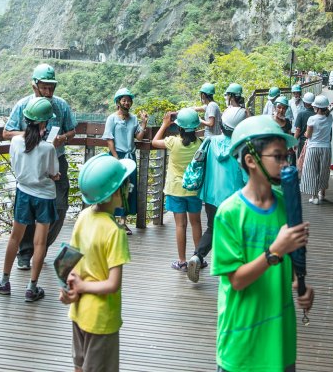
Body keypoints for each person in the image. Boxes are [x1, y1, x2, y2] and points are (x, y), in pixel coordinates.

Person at [213, 116, 314, 372]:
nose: (285, 164)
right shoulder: (229, 213)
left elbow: (292, 261)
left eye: (286, 157)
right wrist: (275, 251)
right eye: (277, 157)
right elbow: (236, 280)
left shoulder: (286, 205)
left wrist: (301, 285)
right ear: (251, 160)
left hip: (279, 341)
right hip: (241, 343)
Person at [60, 154, 134, 372]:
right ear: (113, 194)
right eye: (123, 184)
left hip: (79, 310)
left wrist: (67, 289)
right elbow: (113, 284)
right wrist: (81, 286)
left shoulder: (83, 216)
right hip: (102, 320)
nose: (127, 187)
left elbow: (66, 261)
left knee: (80, 366)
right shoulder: (114, 232)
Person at [4, 63, 77, 271]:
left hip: (57, 159)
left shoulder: (60, 105)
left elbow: (72, 130)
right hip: (31, 163)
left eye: (51, 88)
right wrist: (32, 137)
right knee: (26, 211)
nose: (48, 92)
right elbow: (7, 133)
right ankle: (26, 253)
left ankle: (41, 248)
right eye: (45, 87)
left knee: (60, 206)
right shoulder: (23, 105)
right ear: (35, 85)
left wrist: (62, 138)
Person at [0, 97, 60, 302]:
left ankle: (4, 281)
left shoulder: (16, 141)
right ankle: (32, 287)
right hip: (44, 197)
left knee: (14, 237)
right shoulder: (48, 148)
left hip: (23, 194)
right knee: (40, 243)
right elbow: (54, 173)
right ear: (44, 123)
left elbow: (16, 163)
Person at [186, 87, 249, 283]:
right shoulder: (242, 147)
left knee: (212, 228)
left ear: (222, 125)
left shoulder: (210, 143)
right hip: (235, 198)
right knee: (237, 232)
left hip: (211, 195)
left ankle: (197, 256)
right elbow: (248, 177)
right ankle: (232, 269)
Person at [150, 108, 203, 271]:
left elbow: (154, 142)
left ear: (178, 127)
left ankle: (182, 261)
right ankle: (198, 258)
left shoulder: (173, 142)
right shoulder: (200, 144)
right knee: (196, 223)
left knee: (180, 225)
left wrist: (164, 124)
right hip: (194, 189)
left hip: (175, 189)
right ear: (195, 128)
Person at [102, 88, 144, 234]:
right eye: (124, 100)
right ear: (118, 102)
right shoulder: (112, 118)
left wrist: (144, 123)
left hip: (130, 157)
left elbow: (139, 137)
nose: (126, 102)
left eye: (129, 100)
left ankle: (123, 222)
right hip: (116, 156)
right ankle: (111, 221)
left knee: (128, 190)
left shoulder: (133, 118)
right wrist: (115, 158)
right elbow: (109, 139)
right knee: (115, 189)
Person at [299, 94, 333, 204]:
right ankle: (322, 194)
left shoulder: (312, 119)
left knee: (311, 171)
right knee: (323, 171)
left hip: (313, 148)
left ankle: (314, 196)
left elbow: (308, 135)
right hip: (326, 148)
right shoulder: (330, 117)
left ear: (317, 108)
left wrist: (305, 133)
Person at [292, 92, 315, 160]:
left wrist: (294, 142)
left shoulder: (301, 114)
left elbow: (298, 130)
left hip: (302, 142)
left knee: (301, 162)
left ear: (304, 102)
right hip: (313, 142)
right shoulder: (316, 114)